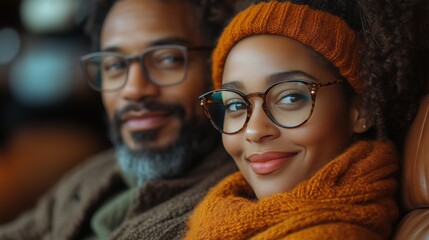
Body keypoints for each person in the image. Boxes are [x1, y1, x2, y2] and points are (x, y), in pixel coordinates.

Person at [184, 0, 427, 239]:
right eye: (236, 105)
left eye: (290, 98)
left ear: (362, 110)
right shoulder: (219, 213)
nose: (254, 131)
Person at [0, 0, 238, 239]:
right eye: (115, 64)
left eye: (168, 60)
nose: (134, 89)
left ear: (218, 67)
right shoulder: (94, 174)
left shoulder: (226, 210)